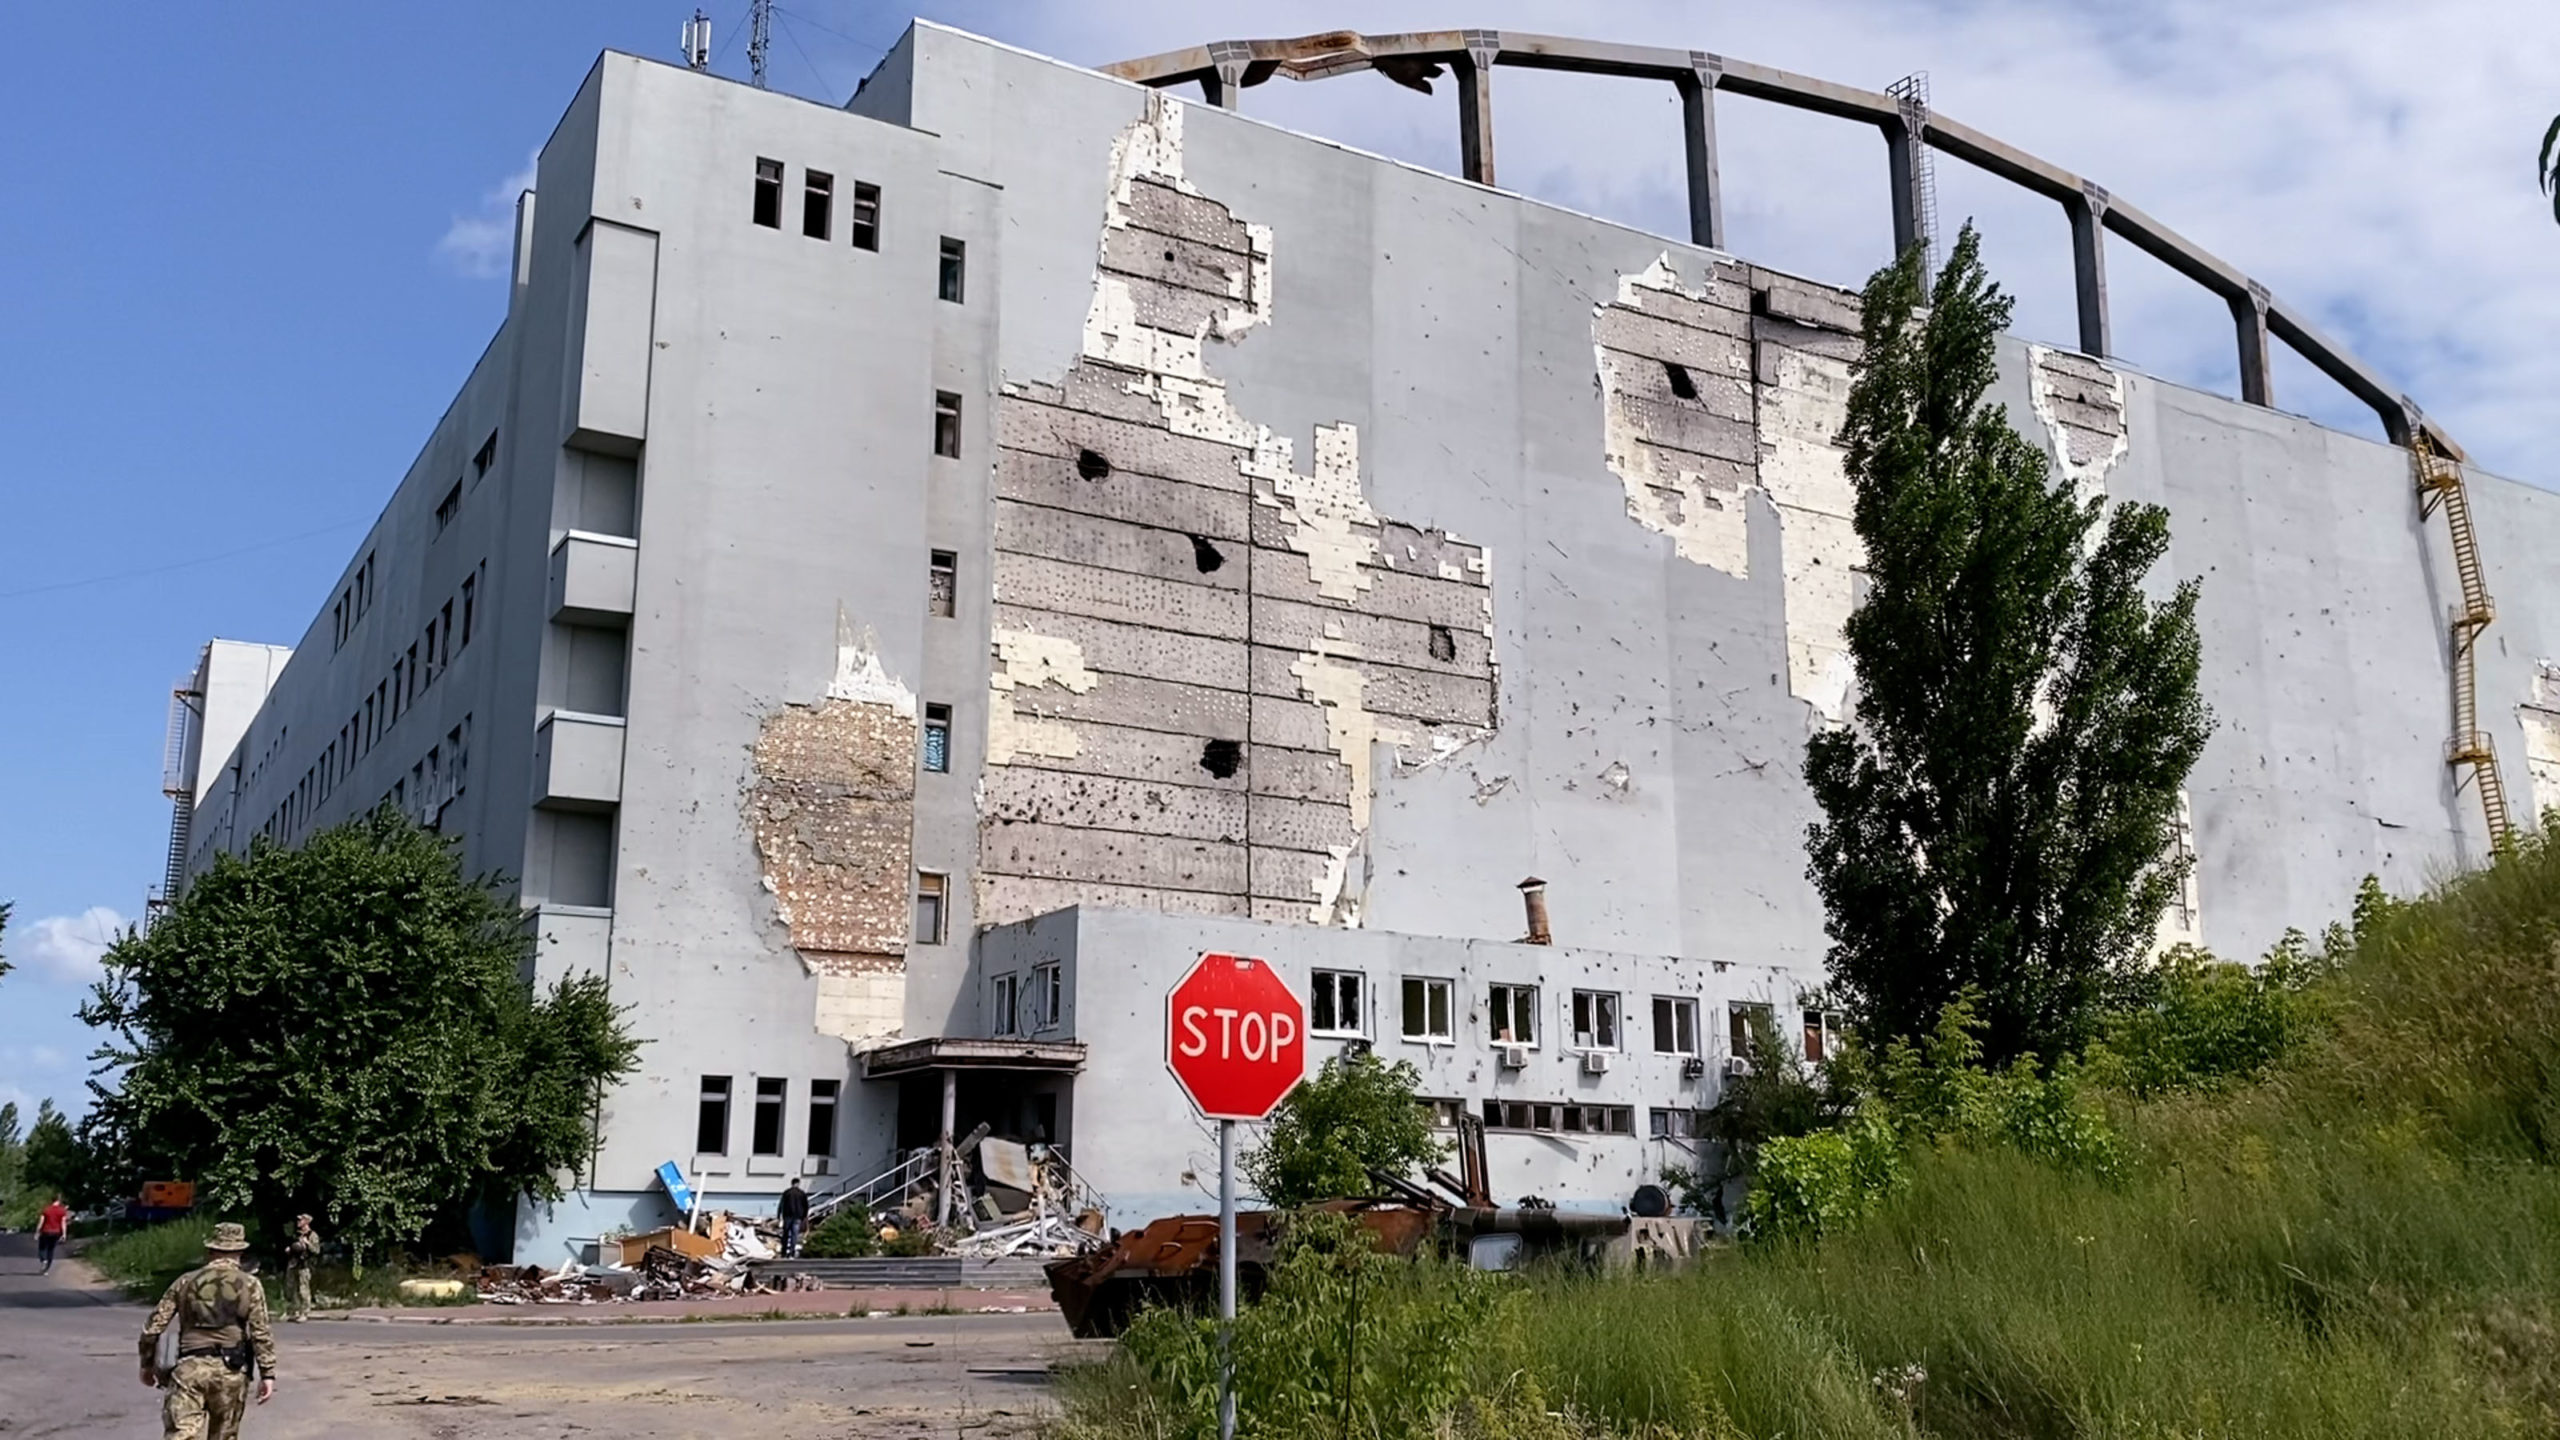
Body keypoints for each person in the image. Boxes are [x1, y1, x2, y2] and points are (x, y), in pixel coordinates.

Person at [138, 1222, 277, 1440]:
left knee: (182, 1434)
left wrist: (147, 1365)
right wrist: (267, 1374)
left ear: (210, 1251)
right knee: (224, 1435)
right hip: (231, 1371)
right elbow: (261, 1333)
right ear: (240, 1252)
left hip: (189, 1369)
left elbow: (154, 1326)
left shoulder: (185, 1281)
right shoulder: (250, 1284)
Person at [281, 1215, 320, 1323]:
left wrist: (308, 1244)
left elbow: (316, 1251)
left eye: (300, 1220)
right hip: (294, 1264)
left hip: (304, 1265)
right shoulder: (296, 1234)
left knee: (303, 1290)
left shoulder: (312, 1235)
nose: (298, 1222)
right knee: (292, 1289)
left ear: (306, 1222)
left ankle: (305, 1312)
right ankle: (295, 1311)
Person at [35, 1195, 69, 1274]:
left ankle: (43, 1260)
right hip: (56, 1232)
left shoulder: (46, 1209)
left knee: (42, 1248)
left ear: (52, 1200)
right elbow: (63, 1223)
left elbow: (41, 1222)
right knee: (51, 1249)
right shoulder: (62, 1211)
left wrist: (37, 1232)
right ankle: (46, 1269)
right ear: (59, 1201)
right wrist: (64, 1234)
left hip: (45, 1232)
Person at [777, 1178, 810, 1258]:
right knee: (794, 1235)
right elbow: (806, 1205)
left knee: (785, 1234)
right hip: (797, 1217)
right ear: (798, 1183)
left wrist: (779, 1215)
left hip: (787, 1216)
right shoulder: (802, 1193)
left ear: (791, 1183)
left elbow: (781, 1204)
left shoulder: (787, 1192)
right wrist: (804, 1216)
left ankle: (783, 1252)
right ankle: (791, 1253)